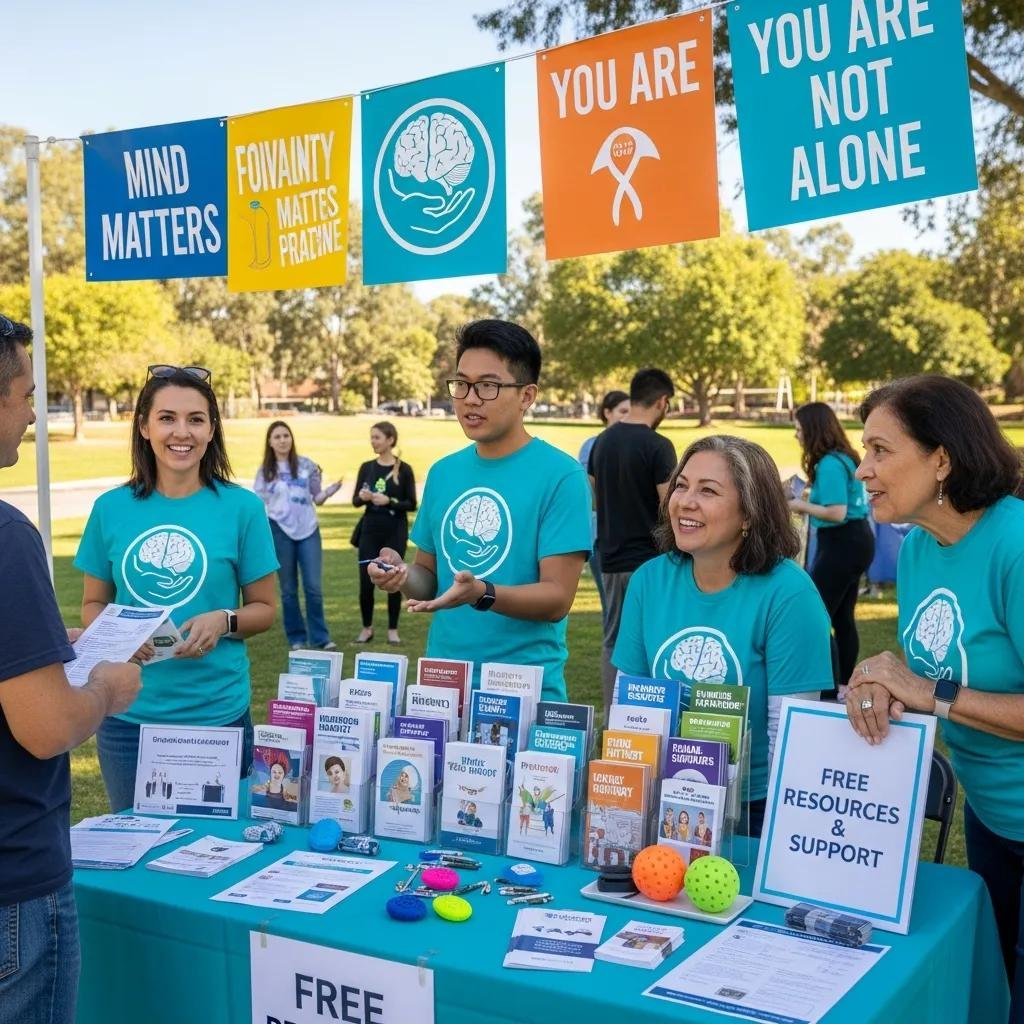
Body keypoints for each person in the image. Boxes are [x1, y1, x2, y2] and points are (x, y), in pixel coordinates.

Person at [842, 375, 1024, 1020]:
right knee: (988, 993)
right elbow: (925, 676)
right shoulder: (920, 548)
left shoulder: (1015, 543)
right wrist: (882, 689)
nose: (862, 469)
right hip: (993, 816)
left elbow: (937, 687)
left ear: (941, 458)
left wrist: (926, 690)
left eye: (880, 450)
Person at [0, 313, 141, 1024]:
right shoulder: (5, 535)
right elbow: (48, 726)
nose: (33, 410)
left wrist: (50, 641)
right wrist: (106, 687)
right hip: (14, 892)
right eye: (25, 393)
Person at [74, 364, 279, 813]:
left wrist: (225, 620)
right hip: (127, 717)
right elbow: (92, 604)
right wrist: (124, 634)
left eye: (196, 419)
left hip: (217, 716)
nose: (180, 432)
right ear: (144, 426)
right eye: (167, 418)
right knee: (134, 852)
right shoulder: (110, 508)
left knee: (217, 855)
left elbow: (266, 609)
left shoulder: (242, 508)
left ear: (211, 430)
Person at [612, 435, 834, 837]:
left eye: (708, 491)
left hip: (755, 811)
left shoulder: (789, 593)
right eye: (681, 485)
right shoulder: (649, 580)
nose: (685, 501)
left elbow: (793, 741)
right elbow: (630, 705)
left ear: (750, 513)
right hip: (662, 795)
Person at [369, 320, 592, 701]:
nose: (470, 399)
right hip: (442, 689)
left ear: (527, 395)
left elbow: (557, 599)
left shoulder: (562, 476)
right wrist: (402, 575)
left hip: (522, 694)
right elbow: (430, 578)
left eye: (488, 386)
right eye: (461, 384)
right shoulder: (443, 473)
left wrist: (482, 593)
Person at [589, 368, 677, 716]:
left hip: (610, 556)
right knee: (655, 639)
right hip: (650, 560)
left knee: (613, 640)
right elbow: (670, 506)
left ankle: (615, 716)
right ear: (662, 402)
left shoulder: (603, 441)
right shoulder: (658, 446)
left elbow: (595, 495)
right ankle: (650, 715)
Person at [789, 402, 875, 695]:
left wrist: (799, 504)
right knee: (841, 617)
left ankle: (827, 689)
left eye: (798, 429)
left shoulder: (829, 463)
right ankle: (843, 684)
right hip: (856, 541)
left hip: (842, 543)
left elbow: (836, 512)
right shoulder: (842, 458)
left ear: (812, 429)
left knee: (815, 614)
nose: (796, 435)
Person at [254, 420, 341, 651]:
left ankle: (321, 638)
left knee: (313, 587)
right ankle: (296, 638)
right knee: (288, 589)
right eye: (277, 437)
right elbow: (257, 504)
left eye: (286, 435)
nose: (283, 440)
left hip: (309, 530)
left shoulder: (306, 465)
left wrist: (330, 491)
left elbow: (317, 498)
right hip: (279, 530)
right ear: (270, 443)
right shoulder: (265, 472)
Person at [353, 421, 417, 644]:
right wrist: (363, 497)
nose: (373, 441)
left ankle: (392, 630)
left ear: (390, 440)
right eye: (371, 437)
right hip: (370, 531)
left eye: (377, 437)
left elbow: (411, 504)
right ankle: (367, 628)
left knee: (393, 578)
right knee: (365, 581)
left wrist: (389, 501)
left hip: (394, 531)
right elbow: (354, 501)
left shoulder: (404, 469)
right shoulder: (367, 467)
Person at [577, 389, 629, 615]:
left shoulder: (634, 443)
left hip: (631, 538)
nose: (627, 416)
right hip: (602, 536)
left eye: (631, 411)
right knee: (612, 609)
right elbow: (589, 494)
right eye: (622, 411)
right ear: (607, 412)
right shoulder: (593, 445)